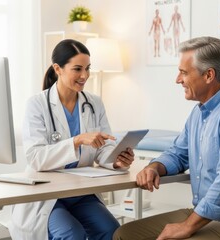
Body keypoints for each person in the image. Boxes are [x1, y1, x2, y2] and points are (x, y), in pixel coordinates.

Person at [113, 36, 220, 240]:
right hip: (204, 214)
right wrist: (155, 167)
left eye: (183, 72)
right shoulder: (199, 113)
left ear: (209, 75)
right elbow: (179, 154)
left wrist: (186, 227)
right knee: (125, 234)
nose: (177, 79)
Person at [8, 39, 135, 240]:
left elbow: (103, 147)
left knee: (112, 231)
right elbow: (36, 157)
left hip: (80, 191)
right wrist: (76, 141)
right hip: (48, 194)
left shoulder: (94, 102)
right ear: (57, 69)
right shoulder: (37, 104)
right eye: (77, 69)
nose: (84, 76)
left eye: (87, 68)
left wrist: (116, 160)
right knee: (71, 234)